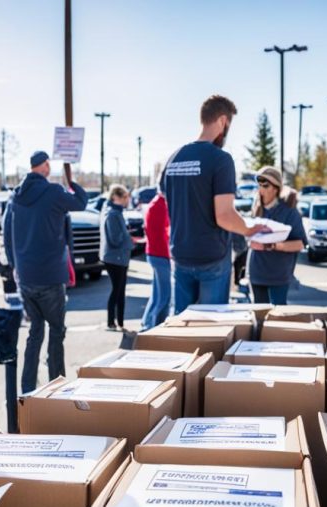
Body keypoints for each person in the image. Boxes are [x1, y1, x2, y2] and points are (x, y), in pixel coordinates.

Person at [159, 95, 269, 312]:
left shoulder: (173, 158)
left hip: (180, 253)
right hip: (211, 257)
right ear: (222, 121)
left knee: (182, 326)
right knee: (212, 326)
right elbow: (224, 216)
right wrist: (248, 229)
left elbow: (165, 198)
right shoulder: (220, 159)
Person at [2, 151, 88, 392]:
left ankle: (28, 387)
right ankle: (56, 384)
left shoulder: (15, 196)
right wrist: (71, 182)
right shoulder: (53, 192)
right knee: (57, 331)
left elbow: (7, 235)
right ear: (46, 166)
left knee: (35, 330)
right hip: (50, 275)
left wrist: (15, 266)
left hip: (26, 277)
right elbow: (81, 202)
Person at [246, 166, 305, 305]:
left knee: (276, 319)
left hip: (278, 275)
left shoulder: (290, 212)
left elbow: (299, 244)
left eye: (265, 185)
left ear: (276, 188)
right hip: (256, 274)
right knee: (258, 318)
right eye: (259, 185)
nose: (261, 189)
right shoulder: (256, 208)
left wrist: (270, 245)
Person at [100, 184, 135, 331]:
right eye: (124, 197)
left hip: (119, 257)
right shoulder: (113, 213)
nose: (127, 200)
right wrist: (127, 236)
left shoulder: (114, 212)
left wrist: (126, 235)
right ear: (115, 197)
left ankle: (119, 322)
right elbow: (114, 239)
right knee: (117, 290)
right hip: (116, 258)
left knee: (120, 290)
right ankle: (111, 322)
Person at [140, 189, 171, 330]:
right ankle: (155, 327)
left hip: (154, 253)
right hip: (160, 254)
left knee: (157, 293)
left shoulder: (155, 204)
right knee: (164, 295)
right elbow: (164, 232)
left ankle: (147, 323)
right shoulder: (161, 205)